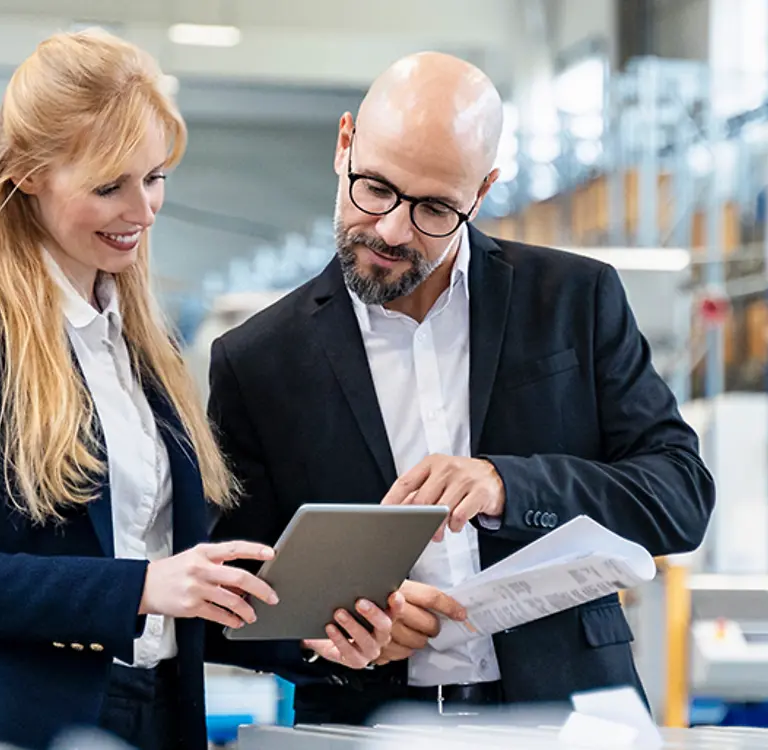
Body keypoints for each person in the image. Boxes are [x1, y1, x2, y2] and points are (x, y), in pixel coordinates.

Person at [0, 30, 394, 750]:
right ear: (26, 174)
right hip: (10, 726)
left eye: (154, 178)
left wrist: (310, 631)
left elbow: (185, 591)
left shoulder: (145, 351)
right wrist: (139, 587)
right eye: (109, 185)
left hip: (154, 715)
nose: (143, 211)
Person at [206, 51, 715, 725]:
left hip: (569, 720)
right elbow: (229, 595)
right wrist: (332, 639)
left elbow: (679, 496)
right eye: (376, 188)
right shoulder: (257, 362)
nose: (391, 230)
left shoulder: (574, 301)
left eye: (435, 209)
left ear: (482, 192)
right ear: (344, 143)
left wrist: (510, 486)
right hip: (367, 725)